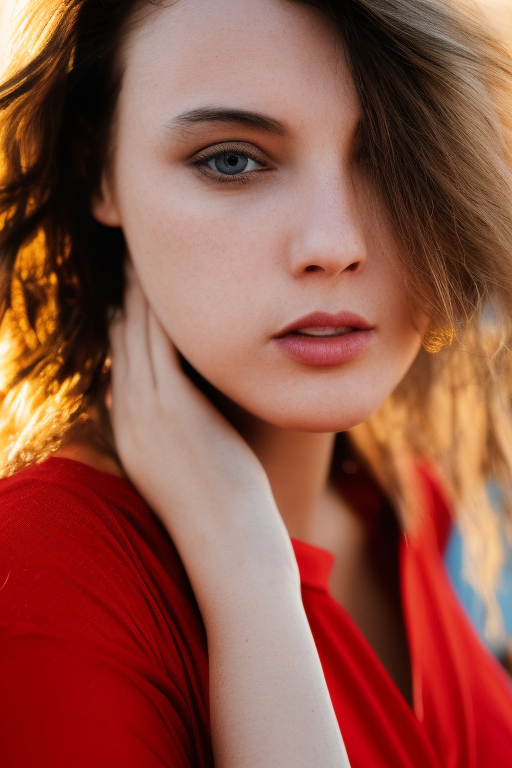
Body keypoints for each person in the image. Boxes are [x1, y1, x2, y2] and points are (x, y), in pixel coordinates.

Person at [1, 0, 512, 766]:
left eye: (389, 152)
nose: (334, 245)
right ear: (97, 168)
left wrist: (247, 560)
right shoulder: (49, 579)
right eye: (231, 159)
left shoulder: (405, 502)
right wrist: (249, 585)